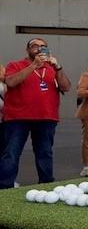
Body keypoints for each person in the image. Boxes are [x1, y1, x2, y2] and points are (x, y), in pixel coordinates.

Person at [0, 39, 71, 188]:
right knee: (11, 153)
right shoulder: (15, 65)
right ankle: (5, 186)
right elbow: (11, 82)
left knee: (45, 153)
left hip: (46, 117)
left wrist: (58, 67)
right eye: (35, 46)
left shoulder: (52, 68)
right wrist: (34, 66)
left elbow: (66, 87)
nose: (39, 49)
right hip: (18, 117)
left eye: (43, 46)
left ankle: (46, 184)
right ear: (27, 50)